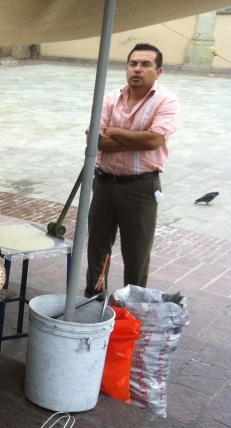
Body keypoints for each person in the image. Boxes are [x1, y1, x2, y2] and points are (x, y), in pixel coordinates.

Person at [85, 43, 179, 296]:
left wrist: (115, 133)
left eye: (145, 64)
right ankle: (93, 301)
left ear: (158, 71)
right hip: (104, 184)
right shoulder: (110, 98)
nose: (138, 69)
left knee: (136, 254)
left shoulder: (166, 101)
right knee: (97, 249)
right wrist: (134, 138)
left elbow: (154, 141)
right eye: (133, 63)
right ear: (127, 67)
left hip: (141, 188)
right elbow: (94, 140)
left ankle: (131, 307)